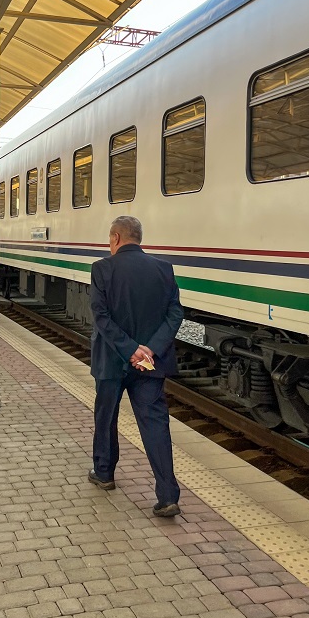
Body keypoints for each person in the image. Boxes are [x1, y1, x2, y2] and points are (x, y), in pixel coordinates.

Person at [89, 216, 184, 517]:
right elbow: (175, 315)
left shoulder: (102, 269)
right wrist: (149, 350)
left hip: (111, 362)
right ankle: (168, 496)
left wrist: (130, 349)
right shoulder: (163, 269)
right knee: (155, 424)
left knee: (107, 417)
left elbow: (101, 318)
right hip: (150, 363)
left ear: (116, 238)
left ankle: (104, 473)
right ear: (138, 238)